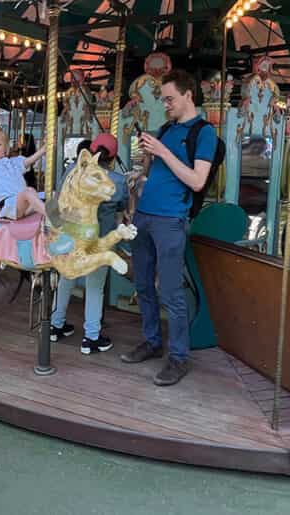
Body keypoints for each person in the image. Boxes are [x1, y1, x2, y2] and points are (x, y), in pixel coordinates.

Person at [121, 69, 215, 387]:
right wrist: (143, 165)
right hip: (144, 215)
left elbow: (197, 180)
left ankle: (178, 357)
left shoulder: (204, 133)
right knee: (144, 285)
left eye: (170, 99)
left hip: (171, 219)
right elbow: (151, 172)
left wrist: (163, 151)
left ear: (189, 95)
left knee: (171, 292)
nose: (166, 105)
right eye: (163, 100)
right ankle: (151, 340)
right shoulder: (165, 128)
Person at [50, 133, 126, 354]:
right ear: (112, 158)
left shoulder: (72, 172)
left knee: (66, 278)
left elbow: (57, 201)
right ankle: (91, 338)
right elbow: (121, 213)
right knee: (95, 288)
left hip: (70, 236)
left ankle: (56, 324)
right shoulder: (118, 181)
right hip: (98, 238)